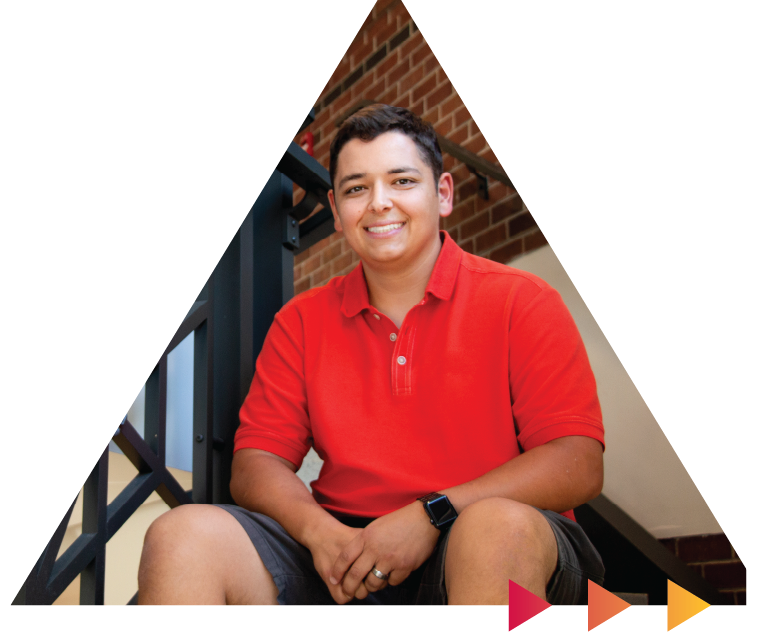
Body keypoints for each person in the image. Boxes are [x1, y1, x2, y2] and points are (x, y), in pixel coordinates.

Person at [137, 104, 606, 614]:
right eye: (357, 188)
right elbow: (256, 464)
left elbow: (577, 462)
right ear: (337, 213)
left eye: (402, 181)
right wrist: (320, 533)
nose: (379, 203)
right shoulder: (301, 321)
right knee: (180, 536)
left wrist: (432, 515)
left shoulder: (522, 300)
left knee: (494, 528)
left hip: (502, 540)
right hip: (348, 550)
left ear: (442, 194)